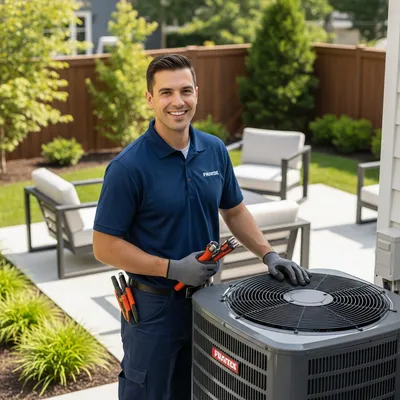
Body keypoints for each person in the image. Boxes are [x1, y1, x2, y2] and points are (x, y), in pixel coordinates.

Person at [92, 54, 311, 400]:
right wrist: (172, 267)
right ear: (150, 99)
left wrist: (269, 254)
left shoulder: (214, 150)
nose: (177, 102)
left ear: (197, 93)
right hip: (152, 309)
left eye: (185, 90)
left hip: (207, 301)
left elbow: (235, 211)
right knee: (147, 393)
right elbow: (104, 246)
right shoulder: (128, 167)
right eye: (166, 93)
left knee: (198, 389)